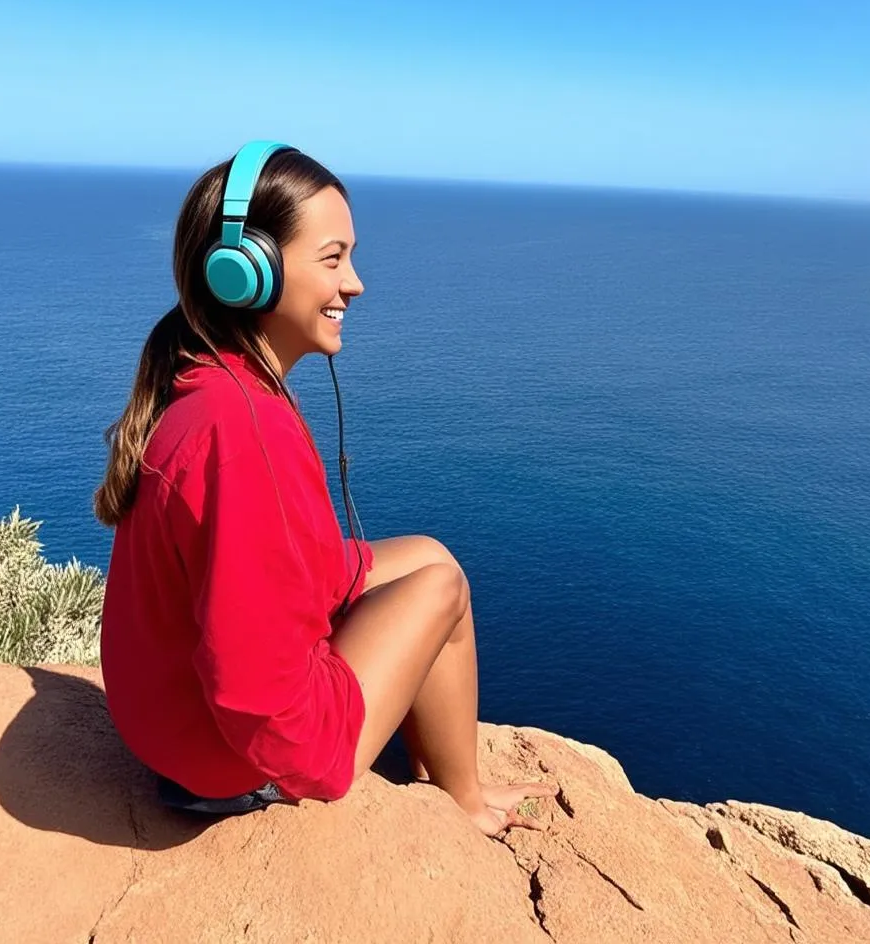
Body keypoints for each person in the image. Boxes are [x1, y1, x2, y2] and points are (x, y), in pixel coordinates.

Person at [95, 141, 556, 836]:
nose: (356, 283)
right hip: (224, 759)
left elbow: (264, 567)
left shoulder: (220, 384)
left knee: (432, 556)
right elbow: (252, 693)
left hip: (169, 721)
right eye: (333, 259)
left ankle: (444, 777)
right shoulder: (241, 434)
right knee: (442, 592)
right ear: (244, 273)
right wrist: (316, 759)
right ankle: (463, 806)